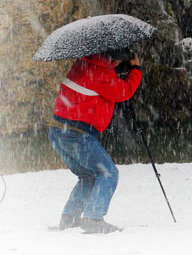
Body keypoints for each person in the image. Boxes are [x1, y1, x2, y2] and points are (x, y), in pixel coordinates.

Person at [48, 47, 142, 234]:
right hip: (76, 134)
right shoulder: (101, 71)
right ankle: (93, 218)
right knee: (108, 173)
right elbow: (123, 92)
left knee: (89, 175)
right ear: (116, 60)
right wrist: (136, 70)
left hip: (58, 131)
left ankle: (69, 218)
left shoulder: (84, 63)